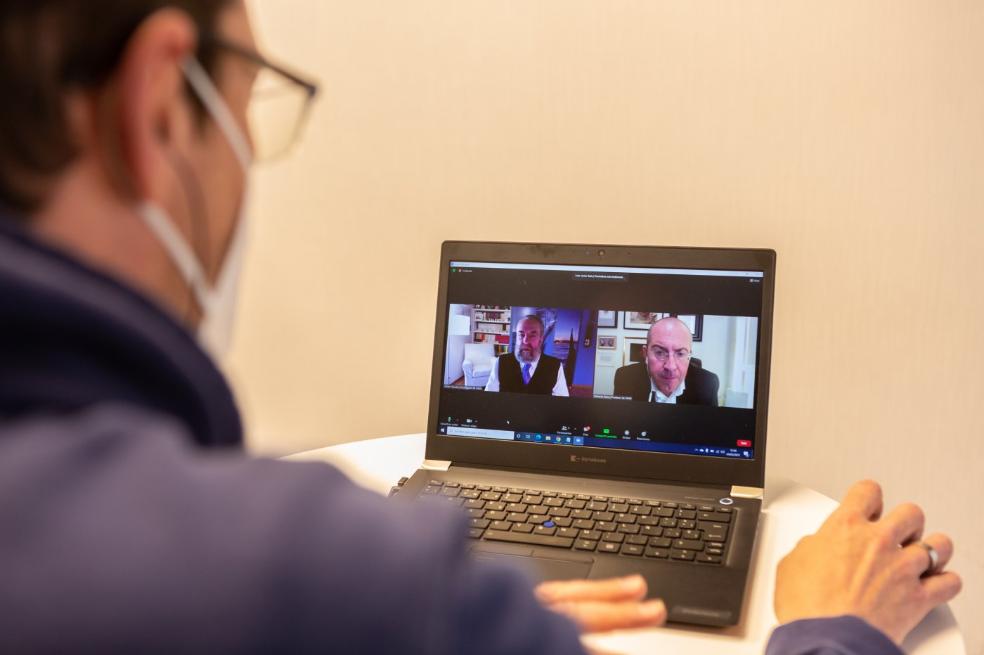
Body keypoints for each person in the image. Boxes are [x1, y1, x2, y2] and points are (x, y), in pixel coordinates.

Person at [0, 1, 960, 653]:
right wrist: (835, 628)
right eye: (251, 105)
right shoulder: (318, 573)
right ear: (161, 108)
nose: (251, 155)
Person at [614, 317, 720, 405]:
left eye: (680, 354)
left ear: (689, 355)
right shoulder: (625, 377)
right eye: (659, 352)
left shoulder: (707, 383)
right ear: (645, 353)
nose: (670, 366)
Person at [484, 314, 570, 396]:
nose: (525, 341)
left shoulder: (555, 366)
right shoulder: (501, 362)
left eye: (532, 335)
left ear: (541, 339)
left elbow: (561, 401)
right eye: (521, 334)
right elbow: (489, 397)